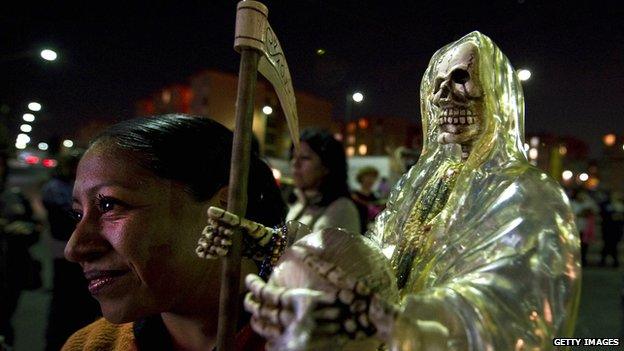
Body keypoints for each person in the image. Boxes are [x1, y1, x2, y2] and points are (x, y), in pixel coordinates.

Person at [242, 31, 580, 350]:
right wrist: (290, 247)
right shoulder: (423, 184)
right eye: (437, 85)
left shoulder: (528, 193)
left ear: (497, 95)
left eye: (461, 78)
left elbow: (505, 301)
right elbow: (377, 259)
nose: (442, 96)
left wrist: (398, 322)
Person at [61, 114, 287, 351]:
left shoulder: (314, 338)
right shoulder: (90, 346)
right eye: (78, 215)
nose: (73, 249)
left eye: (110, 205)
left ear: (228, 205)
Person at [42, 149, 101, 351]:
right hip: (63, 250)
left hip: (75, 250)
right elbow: (64, 218)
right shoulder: (56, 188)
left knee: (82, 301)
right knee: (64, 302)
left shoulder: (73, 186)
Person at [0, 151, 41, 347]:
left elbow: (35, 228)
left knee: (5, 321)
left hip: (11, 270)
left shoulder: (13, 197)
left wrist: (25, 230)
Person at [286, 128, 360, 236]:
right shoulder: (298, 203)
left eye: (305, 158)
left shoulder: (341, 210)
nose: (295, 164)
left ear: (326, 166)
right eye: (293, 157)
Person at [351, 166, 383, 233]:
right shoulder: (353, 196)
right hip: (356, 230)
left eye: (373, 177)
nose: (370, 180)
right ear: (361, 178)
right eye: (368, 176)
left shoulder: (375, 198)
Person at [599, 191, 624, 267]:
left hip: (617, 228)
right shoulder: (606, 204)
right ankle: (605, 260)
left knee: (614, 245)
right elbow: (603, 213)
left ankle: (614, 261)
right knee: (607, 244)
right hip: (607, 228)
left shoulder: (621, 204)